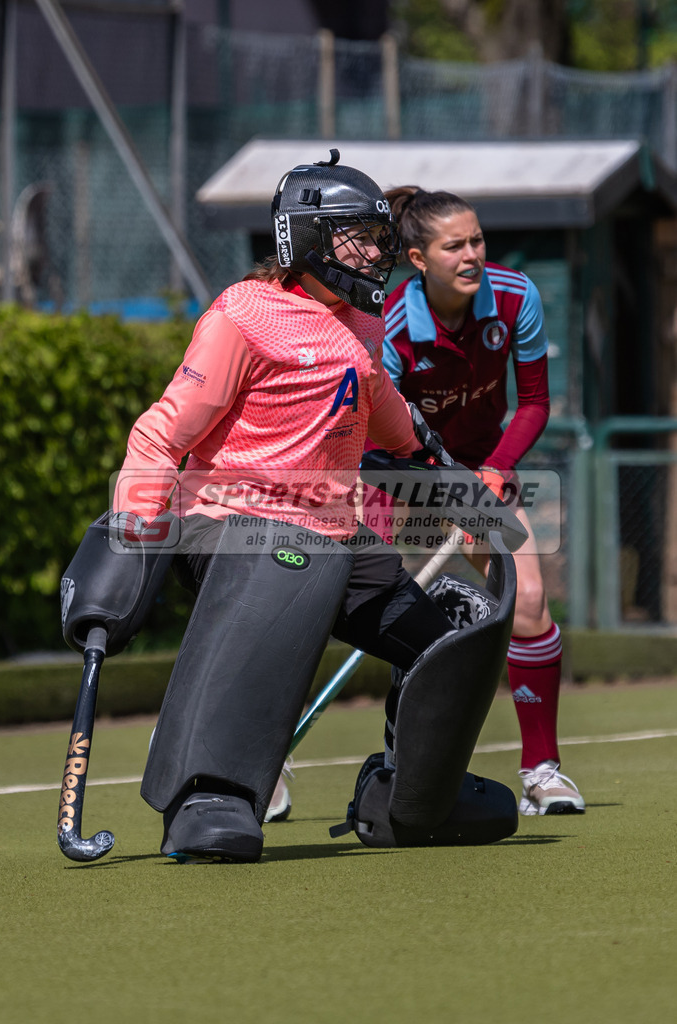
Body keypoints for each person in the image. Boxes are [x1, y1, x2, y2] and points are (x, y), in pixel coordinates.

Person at [110, 152, 510, 862]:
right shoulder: (242, 313)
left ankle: (412, 796)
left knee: (442, 648)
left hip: (330, 534)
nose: (377, 252)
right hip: (231, 523)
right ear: (308, 237)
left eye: (379, 238)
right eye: (359, 236)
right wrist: (130, 530)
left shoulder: (358, 328)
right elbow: (162, 429)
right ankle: (211, 796)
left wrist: (453, 481)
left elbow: (388, 418)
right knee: (275, 554)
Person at [381, 186, 585, 817]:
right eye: (454, 246)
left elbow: (534, 404)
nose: (472, 255)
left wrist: (494, 469)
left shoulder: (516, 296)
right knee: (322, 602)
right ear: (418, 258)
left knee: (525, 598)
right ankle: (267, 763)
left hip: (476, 470)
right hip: (393, 468)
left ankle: (543, 771)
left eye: (477, 240)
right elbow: (376, 430)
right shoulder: (391, 327)